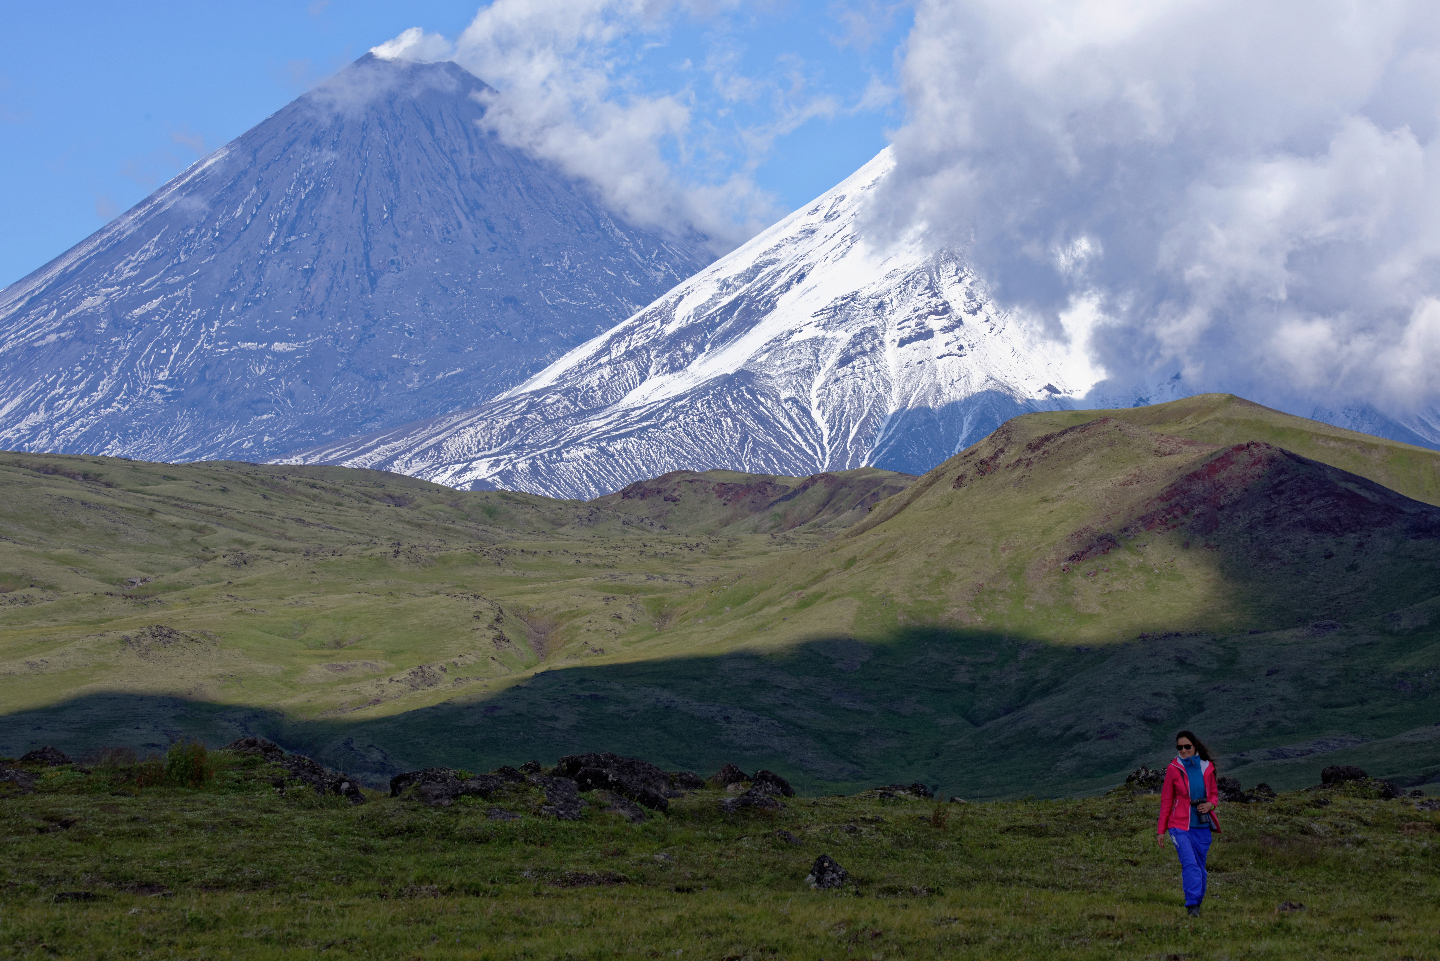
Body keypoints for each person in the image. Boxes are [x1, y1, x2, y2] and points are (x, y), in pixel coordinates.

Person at [1156, 730, 1220, 917]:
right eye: (1179, 747)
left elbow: (1214, 794)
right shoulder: (1173, 768)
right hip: (1179, 826)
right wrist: (1161, 831)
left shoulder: (1207, 768)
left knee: (1200, 867)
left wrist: (1210, 804)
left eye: (1187, 747)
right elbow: (1167, 800)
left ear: (1194, 747)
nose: (1183, 750)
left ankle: (1197, 904)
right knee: (1190, 864)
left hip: (1202, 827)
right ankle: (1192, 905)